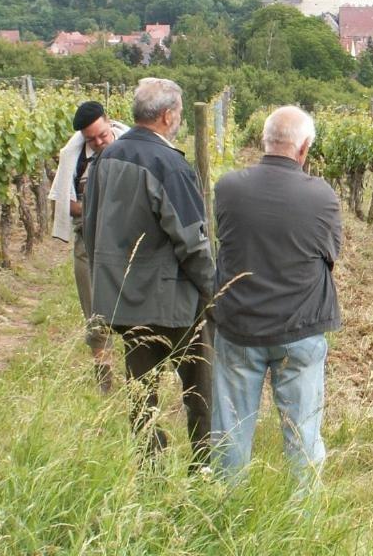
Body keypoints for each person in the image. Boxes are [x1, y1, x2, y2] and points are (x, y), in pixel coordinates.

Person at [83, 78, 215, 469]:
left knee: (142, 397)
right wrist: (213, 293)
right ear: (168, 115)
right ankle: (203, 470)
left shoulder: (106, 159)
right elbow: (191, 241)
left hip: (125, 301)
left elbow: (90, 228)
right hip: (174, 303)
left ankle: (150, 473)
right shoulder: (169, 164)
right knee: (200, 393)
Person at [211, 106, 342, 485]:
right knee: (303, 434)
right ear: (304, 148)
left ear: (264, 141)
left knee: (230, 431)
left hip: (238, 327)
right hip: (299, 328)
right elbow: (331, 254)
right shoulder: (321, 195)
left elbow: (227, 242)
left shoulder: (228, 187)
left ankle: (223, 513)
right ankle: (302, 523)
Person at [49, 101, 128, 393]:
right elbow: (65, 203)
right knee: (96, 314)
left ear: (109, 123)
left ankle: (141, 377)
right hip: (89, 241)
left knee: (134, 308)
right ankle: (105, 385)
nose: (98, 143)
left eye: (102, 136)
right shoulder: (75, 158)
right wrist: (97, 208)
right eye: (91, 139)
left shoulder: (130, 147)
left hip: (129, 241)